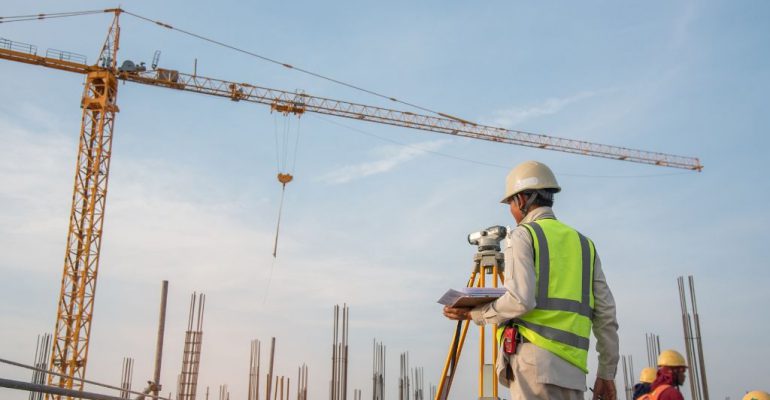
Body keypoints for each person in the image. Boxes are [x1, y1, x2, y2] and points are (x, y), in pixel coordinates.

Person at [443, 160, 619, 400]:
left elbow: (520, 301)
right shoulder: (585, 245)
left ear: (522, 200)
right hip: (574, 372)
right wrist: (607, 374)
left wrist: (475, 314)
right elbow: (606, 316)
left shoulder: (523, 235)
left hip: (534, 364)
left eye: (510, 203)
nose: (511, 211)